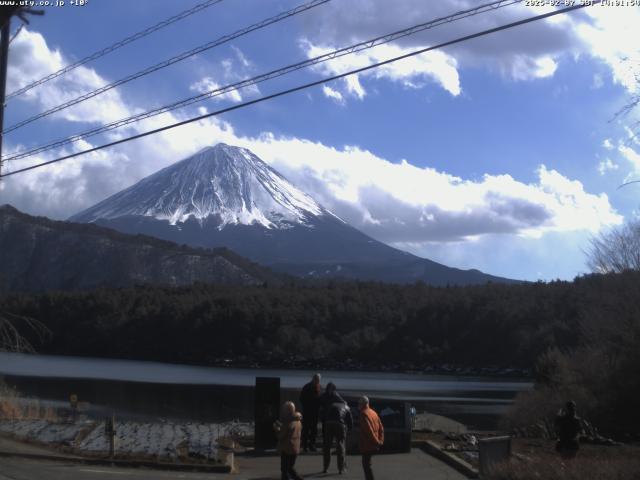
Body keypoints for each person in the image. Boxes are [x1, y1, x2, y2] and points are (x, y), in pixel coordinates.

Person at [320, 383, 352, 474]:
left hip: (328, 421)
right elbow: (350, 419)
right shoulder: (345, 405)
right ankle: (340, 469)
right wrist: (349, 428)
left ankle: (325, 468)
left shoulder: (331, 400)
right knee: (340, 445)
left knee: (327, 446)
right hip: (338, 423)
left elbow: (323, 411)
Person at [273, 401, 304, 480]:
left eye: (284, 410)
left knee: (285, 470)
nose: (283, 412)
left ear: (288, 410)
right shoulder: (298, 421)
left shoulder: (288, 422)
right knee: (290, 468)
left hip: (287, 448)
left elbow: (281, 436)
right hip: (295, 447)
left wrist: (277, 429)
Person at [358, 396, 384, 480]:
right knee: (368, 465)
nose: (358, 405)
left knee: (367, 466)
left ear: (362, 404)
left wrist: (377, 442)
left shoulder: (363, 414)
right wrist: (380, 440)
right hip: (374, 444)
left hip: (367, 444)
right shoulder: (373, 412)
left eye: (359, 403)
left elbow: (369, 431)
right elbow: (381, 428)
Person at [299, 373, 322, 452]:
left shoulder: (318, 387)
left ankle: (312, 445)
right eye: (317, 379)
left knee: (313, 430)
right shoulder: (307, 387)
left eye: (318, 380)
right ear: (313, 379)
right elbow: (301, 398)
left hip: (314, 412)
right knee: (306, 429)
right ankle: (305, 446)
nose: (317, 381)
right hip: (307, 411)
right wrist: (308, 405)